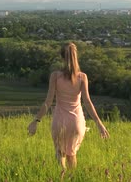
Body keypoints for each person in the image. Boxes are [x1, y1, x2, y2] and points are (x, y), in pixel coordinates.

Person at [28, 42, 109, 170]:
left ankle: (62, 177)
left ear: (61, 57)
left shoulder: (55, 76)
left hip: (60, 121)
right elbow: (87, 102)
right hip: (76, 123)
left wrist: (36, 121)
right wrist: (99, 124)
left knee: (60, 154)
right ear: (76, 56)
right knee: (72, 155)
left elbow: (48, 102)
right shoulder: (83, 77)